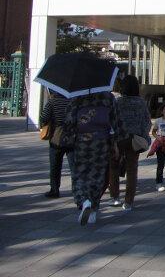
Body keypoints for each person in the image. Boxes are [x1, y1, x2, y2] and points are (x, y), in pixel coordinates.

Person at [67, 91, 123, 225]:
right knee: (98, 176)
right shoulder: (107, 97)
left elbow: (69, 120)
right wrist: (115, 143)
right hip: (102, 141)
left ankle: (84, 200)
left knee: (80, 174)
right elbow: (115, 121)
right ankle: (93, 208)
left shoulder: (77, 96)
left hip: (82, 141)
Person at [107, 75, 152, 211]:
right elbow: (147, 122)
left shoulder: (117, 101)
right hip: (134, 139)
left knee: (113, 167)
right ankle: (128, 201)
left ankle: (114, 196)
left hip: (119, 139)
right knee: (132, 169)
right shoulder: (141, 103)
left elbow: (112, 121)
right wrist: (143, 135)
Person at [39, 91, 74, 198]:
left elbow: (43, 118)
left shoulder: (53, 102)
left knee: (55, 165)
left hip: (56, 137)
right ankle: (77, 189)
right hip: (71, 137)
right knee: (74, 166)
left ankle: (54, 190)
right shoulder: (73, 102)